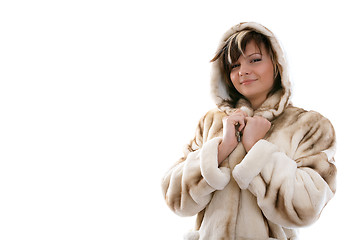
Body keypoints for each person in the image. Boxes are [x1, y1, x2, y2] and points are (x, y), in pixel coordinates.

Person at [161, 22, 337, 240]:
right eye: (234, 66)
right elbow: (175, 198)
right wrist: (221, 148)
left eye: (255, 60)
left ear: (277, 64)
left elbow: (308, 207)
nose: (243, 71)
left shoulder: (309, 125)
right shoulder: (211, 122)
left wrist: (256, 149)